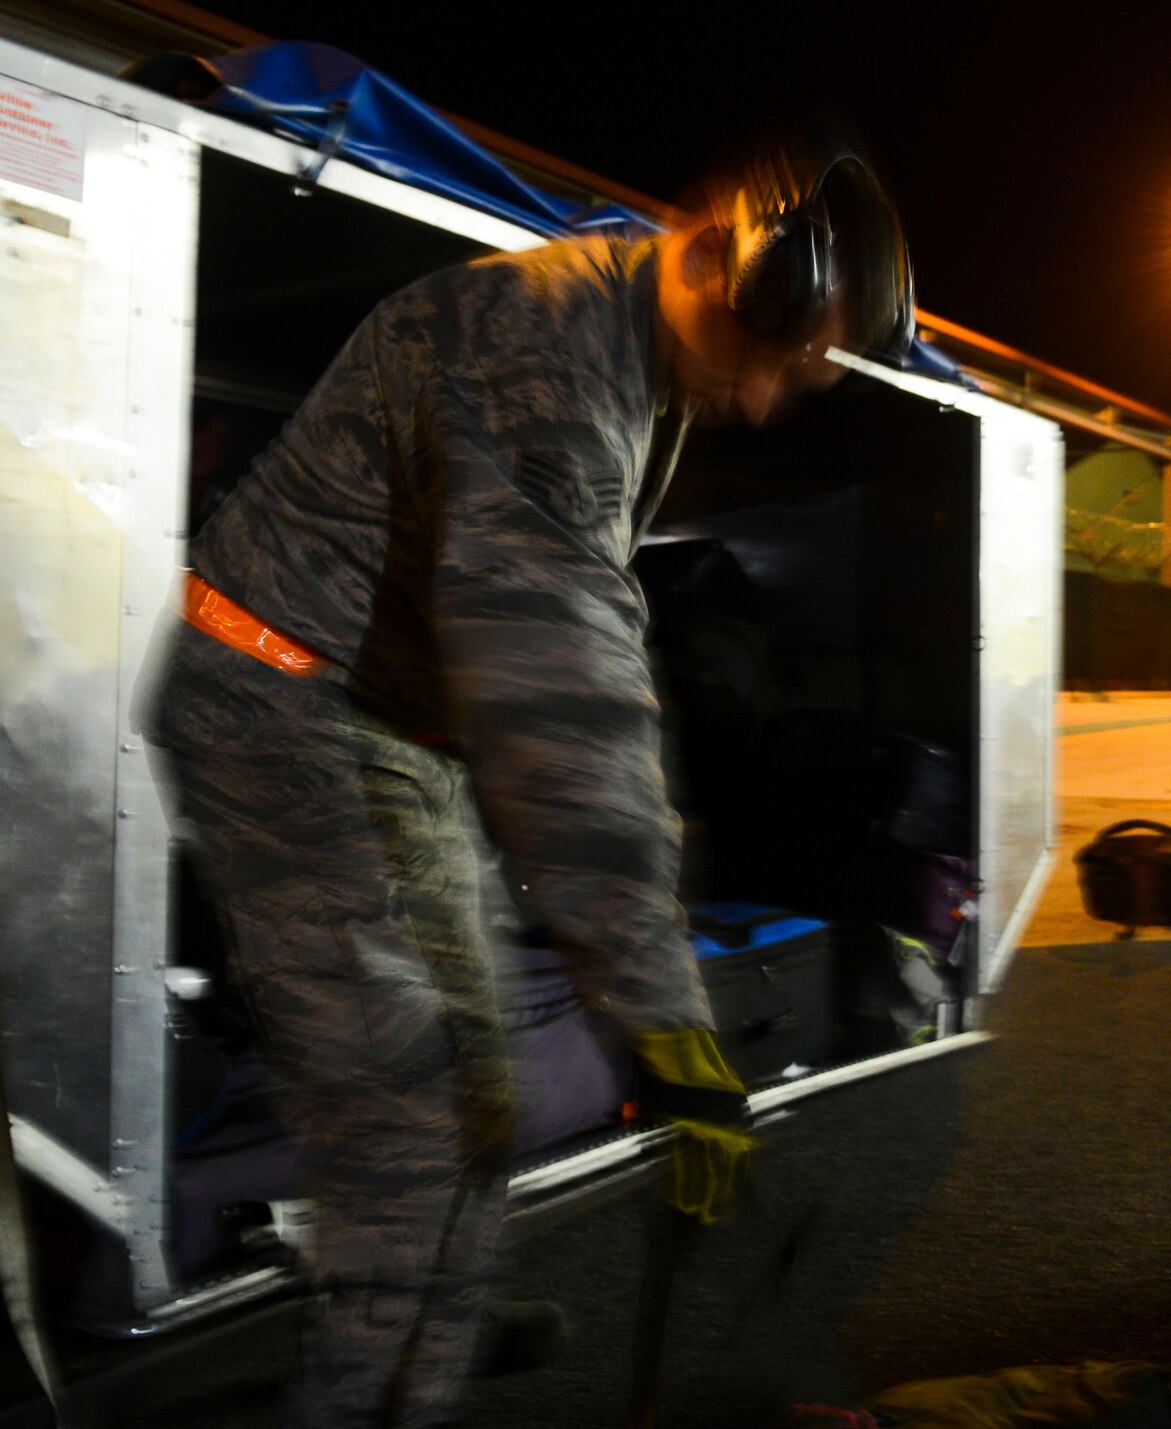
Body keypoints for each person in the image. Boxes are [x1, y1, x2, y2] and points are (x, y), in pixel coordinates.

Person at [141, 131, 913, 1429]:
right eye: (782, 354)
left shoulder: (635, 350)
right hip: (280, 706)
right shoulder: (547, 344)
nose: (775, 399)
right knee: (419, 1120)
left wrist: (640, 961)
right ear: (731, 262)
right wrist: (667, 1013)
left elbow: (572, 662)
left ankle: (422, 1306)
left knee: (467, 1094)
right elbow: (565, 690)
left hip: (389, 724)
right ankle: (383, 1369)